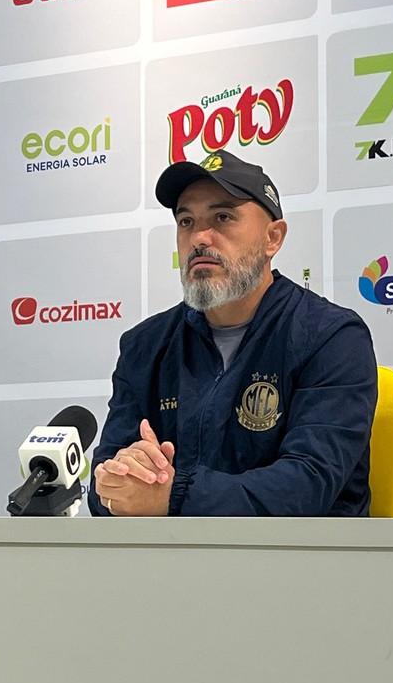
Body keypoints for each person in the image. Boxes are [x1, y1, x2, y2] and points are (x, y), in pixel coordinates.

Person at [88, 150, 377, 517]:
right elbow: (104, 486)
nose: (199, 238)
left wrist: (171, 496)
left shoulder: (331, 337)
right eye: (186, 221)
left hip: (303, 565)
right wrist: (123, 479)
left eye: (222, 217)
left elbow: (308, 485)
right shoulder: (145, 345)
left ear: (273, 238)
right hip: (174, 565)